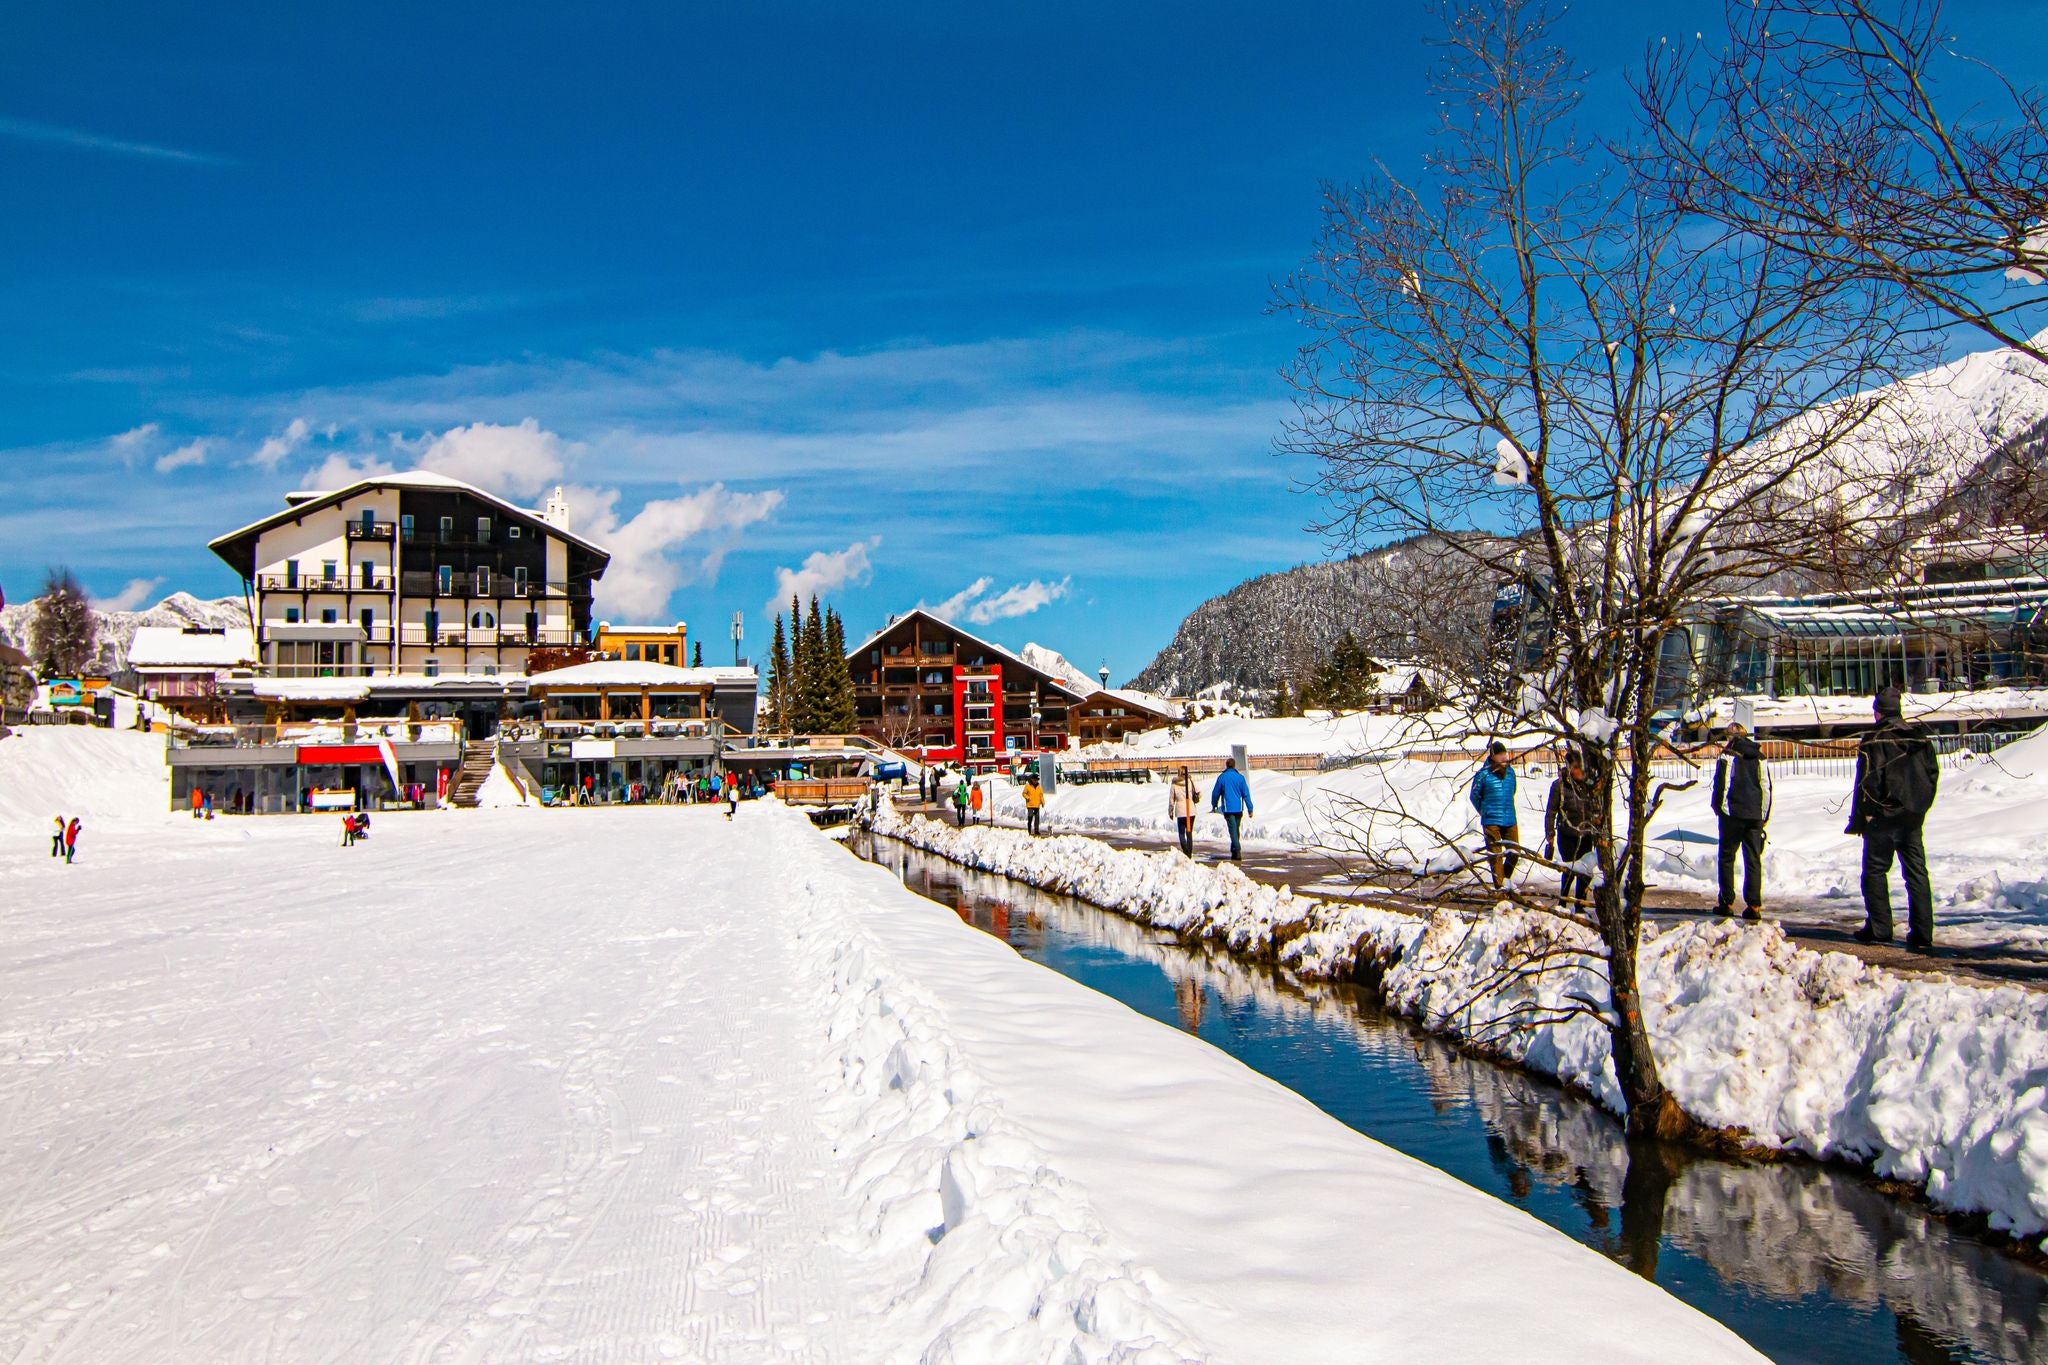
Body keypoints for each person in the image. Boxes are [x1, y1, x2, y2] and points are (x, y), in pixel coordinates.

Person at [1848, 686, 1939, 949]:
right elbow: (1932, 775)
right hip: (1912, 815)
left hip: (1882, 816)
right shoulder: (1919, 738)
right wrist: (1919, 805)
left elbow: (1868, 780)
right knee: (1916, 873)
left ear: (1878, 712)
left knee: (1875, 871)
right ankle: (1922, 931)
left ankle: (1879, 928)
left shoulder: (1875, 740)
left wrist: (1866, 813)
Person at [1711, 719, 1773, 922]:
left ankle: (1727, 902)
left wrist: (1719, 808)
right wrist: (1763, 815)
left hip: (1733, 814)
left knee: (1727, 857)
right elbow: (1766, 786)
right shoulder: (1760, 756)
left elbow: (1722, 783)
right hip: (1755, 815)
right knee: (1753, 859)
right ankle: (1754, 905)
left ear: (1730, 737)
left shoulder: (1729, 756)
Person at [1542, 751, 1600, 910]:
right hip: (1566, 833)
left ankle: (1580, 904)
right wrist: (1550, 833)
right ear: (1569, 768)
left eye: (1581, 767)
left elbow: (1596, 808)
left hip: (1586, 833)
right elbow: (1551, 811)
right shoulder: (1559, 785)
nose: (1579, 771)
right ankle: (1563, 900)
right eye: (1576, 767)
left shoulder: (1588, 784)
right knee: (1570, 869)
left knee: (1585, 870)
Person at [1469, 742, 1520, 889]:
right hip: (1491, 820)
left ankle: (1504, 879)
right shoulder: (1483, 774)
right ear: (1493, 756)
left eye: (1505, 753)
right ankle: (1500, 889)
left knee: (1514, 853)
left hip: (1510, 818)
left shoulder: (1511, 773)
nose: (1505, 757)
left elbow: (1513, 791)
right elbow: (1474, 796)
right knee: (1496, 856)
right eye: (1501, 754)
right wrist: (1484, 811)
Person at [1209, 757, 1253, 861]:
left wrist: (1214, 804)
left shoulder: (1222, 778)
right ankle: (1234, 850)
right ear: (1234, 765)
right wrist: (1250, 808)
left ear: (1226, 765)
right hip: (1238, 808)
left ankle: (1237, 850)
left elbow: (1216, 793)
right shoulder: (1240, 778)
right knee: (1235, 829)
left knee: (1233, 830)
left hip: (1228, 809)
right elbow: (1246, 794)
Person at [1168, 766, 1200, 857]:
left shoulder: (1174, 784)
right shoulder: (1190, 781)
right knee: (1189, 832)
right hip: (1191, 810)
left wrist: (1170, 811)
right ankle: (1189, 851)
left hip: (1180, 811)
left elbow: (1171, 800)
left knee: (1181, 833)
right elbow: (1198, 792)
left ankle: (1186, 851)